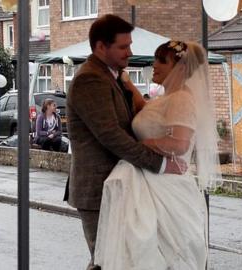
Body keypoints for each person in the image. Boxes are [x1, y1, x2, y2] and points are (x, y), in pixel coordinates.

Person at [66, 14, 186, 270]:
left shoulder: (113, 76)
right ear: (100, 47)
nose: (130, 52)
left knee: (124, 260)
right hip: (99, 189)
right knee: (106, 262)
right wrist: (161, 165)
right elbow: (111, 136)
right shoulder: (90, 79)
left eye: (129, 45)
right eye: (123, 46)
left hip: (123, 184)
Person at [94, 41, 220, 269]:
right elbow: (148, 112)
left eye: (162, 60)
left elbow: (180, 143)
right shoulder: (166, 98)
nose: (154, 65)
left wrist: (142, 144)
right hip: (150, 180)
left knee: (157, 252)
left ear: (180, 68)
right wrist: (129, 85)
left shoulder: (182, 98)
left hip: (166, 186)